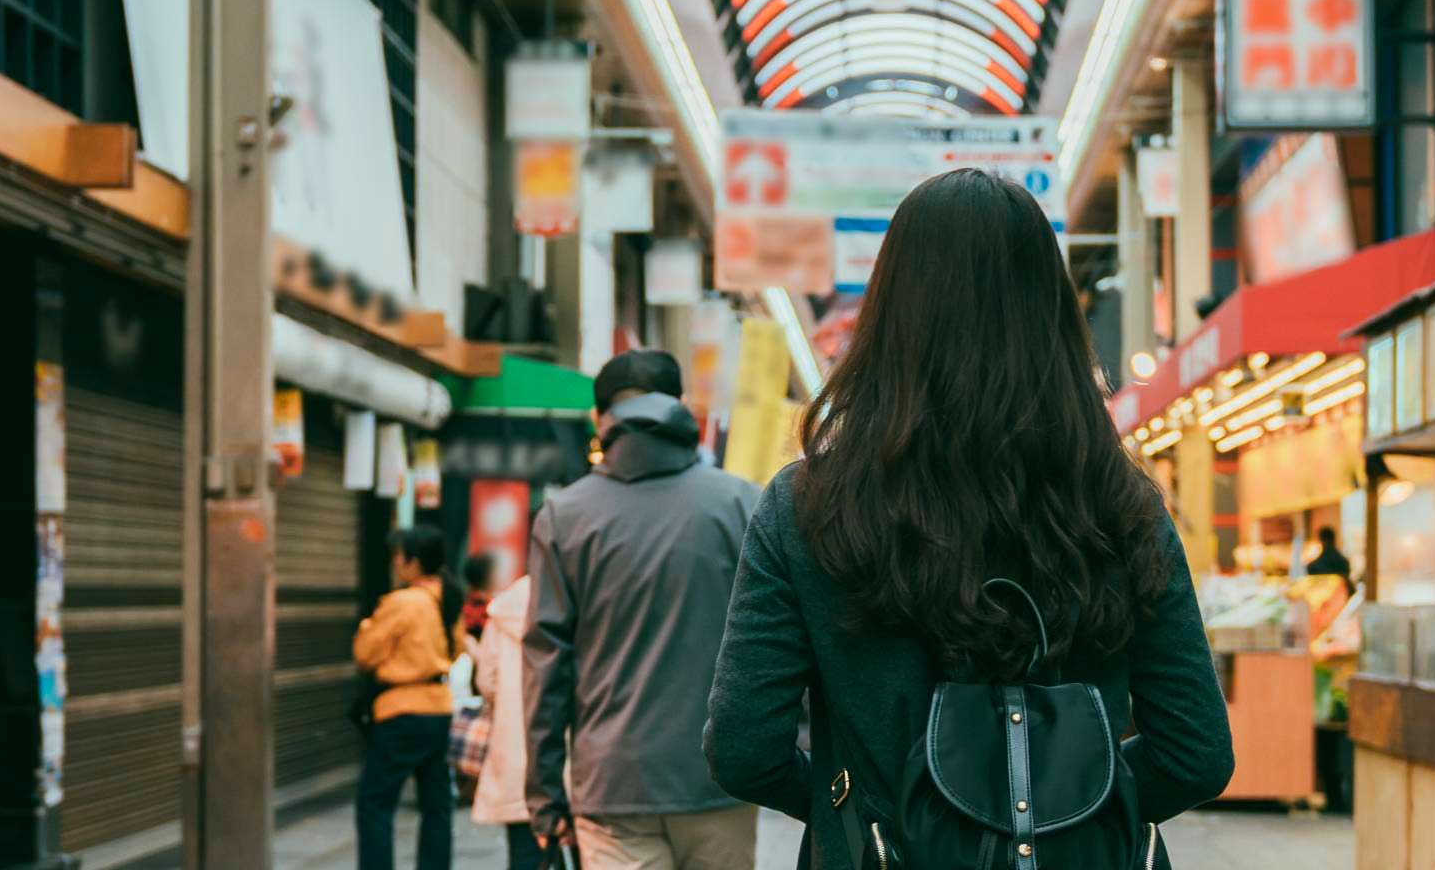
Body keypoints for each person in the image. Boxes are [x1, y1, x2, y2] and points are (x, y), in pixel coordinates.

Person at [703, 170, 1235, 869]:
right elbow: (1195, 753)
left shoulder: (809, 506)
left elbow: (743, 748)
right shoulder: (1118, 502)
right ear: (1053, 314)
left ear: (890, 311)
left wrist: (852, 809)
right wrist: (1082, 808)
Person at [524, 349, 763, 868]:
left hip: (612, 785)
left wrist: (545, 797)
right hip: (718, 778)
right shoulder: (744, 504)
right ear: (680, 408)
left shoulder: (563, 517)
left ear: (599, 420)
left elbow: (546, 666)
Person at [353, 524, 463, 870]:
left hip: (400, 711)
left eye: (399, 557)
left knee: (375, 803)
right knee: (436, 805)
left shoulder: (404, 602)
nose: (395, 564)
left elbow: (365, 654)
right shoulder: (448, 598)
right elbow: (457, 648)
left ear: (414, 563)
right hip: (438, 708)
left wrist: (367, 627)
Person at [474, 575, 541, 870]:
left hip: (516, 746)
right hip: (575, 752)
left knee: (524, 849)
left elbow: (486, 679)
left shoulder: (505, 606)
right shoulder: (578, 588)